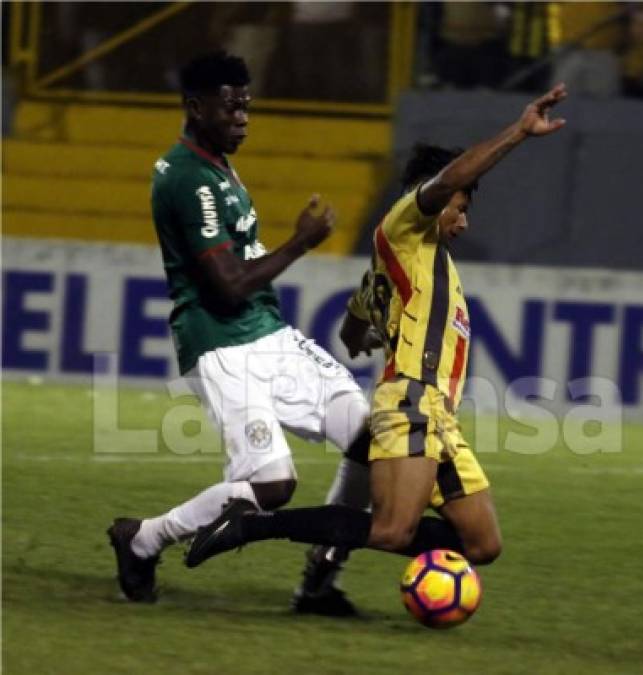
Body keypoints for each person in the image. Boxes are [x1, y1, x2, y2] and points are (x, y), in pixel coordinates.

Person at [183, 84, 569, 594]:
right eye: (459, 207)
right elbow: (452, 177)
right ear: (431, 195)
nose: (463, 220)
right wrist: (518, 132)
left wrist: (365, 334)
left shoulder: (408, 262)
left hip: (436, 415)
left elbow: (352, 324)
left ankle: (313, 568)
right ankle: (249, 525)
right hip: (410, 400)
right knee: (390, 531)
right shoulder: (406, 223)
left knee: (481, 545)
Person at [107, 51, 371, 605]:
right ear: (195, 107)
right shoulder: (189, 179)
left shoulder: (215, 162)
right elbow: (227, 286)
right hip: (223, 344)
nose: (242, 119)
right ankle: (142, 540)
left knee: (373, 439)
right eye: (230, 108)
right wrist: (300, 243)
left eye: (247, 107)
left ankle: (321, 576)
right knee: (273, 486)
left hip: (268, 334)